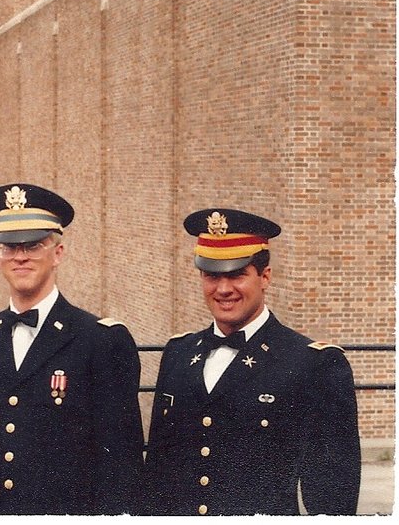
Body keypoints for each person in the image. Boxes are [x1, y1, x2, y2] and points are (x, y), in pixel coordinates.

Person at [144, 208, 361, 515]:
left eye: (237, 274)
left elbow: (333, 496)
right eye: (212, 275)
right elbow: (156, 477)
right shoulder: (178, 353)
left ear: (265, 277)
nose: (223, 289)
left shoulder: (314, 364)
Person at [0, 183, 145, 514]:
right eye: (9, 247)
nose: (20, 257)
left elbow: (120, 466)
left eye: (33, 245)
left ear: (58, 253)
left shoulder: (100, 340)